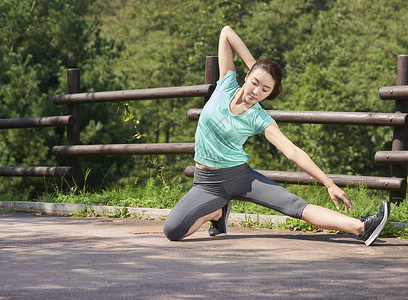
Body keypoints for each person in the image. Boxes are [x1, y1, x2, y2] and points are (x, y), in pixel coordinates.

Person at [163, 26, 390, 246]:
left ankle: (362, 227)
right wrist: (256, 66)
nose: (256, 92)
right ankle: (217, 212)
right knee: (173, 231)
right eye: (255, 83)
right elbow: (226, 32)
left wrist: (328, 183)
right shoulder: (226, 84)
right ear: (247, 76)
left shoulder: (259, 118)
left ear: (270, 94)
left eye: (265, 90)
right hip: (205, 183)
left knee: (293, 205)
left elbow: (292, 152)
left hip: (239, 177)